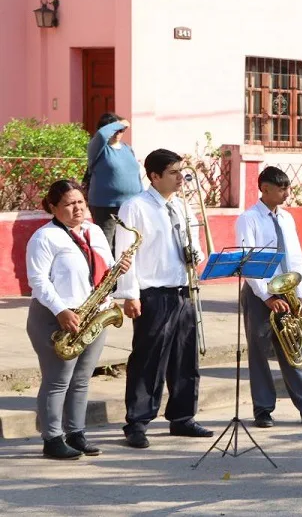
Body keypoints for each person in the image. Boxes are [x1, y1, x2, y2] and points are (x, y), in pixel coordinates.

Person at [26, 180, 130, 459]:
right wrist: (61, 310)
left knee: (82, 378)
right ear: (52, 207)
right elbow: (38, 281)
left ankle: (76, 433)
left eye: (80, 203)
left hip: (92, 313)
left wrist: (116, 273)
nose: (77, 209)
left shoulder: (94, 231)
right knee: (58, 379)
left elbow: (104, 269)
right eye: (69, 204)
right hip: (55, 316)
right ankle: (52, 438)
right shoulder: (44, 237)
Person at [114, 149, 211, 448]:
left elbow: (197, 246)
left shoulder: (182, 206)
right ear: (154, 176)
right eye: (173, 172)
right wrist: (130, 294)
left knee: (185, 357)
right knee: (148, 359)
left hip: (183, 289)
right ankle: (138, 421)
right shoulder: (135, 207)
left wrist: (198, 256)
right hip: (153, 292)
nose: (180, 177)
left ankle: (182, 417)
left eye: (181, 171)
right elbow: (125, 253)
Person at [235, 166, 302, 428]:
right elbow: (248, 262)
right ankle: (263, 409)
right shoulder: (248, 219)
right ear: (265, 189)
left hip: (287, 292)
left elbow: (294, 257)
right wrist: (266, 296)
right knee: (259, 352)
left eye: (287, 188)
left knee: (293, 349)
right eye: (280, 189)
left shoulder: (286, 218)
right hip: (261, 292)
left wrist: (300, 295)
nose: (285, 194)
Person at [84, 114, 142, 250]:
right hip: (105, 206)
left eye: (121, 130)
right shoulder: (98, 149)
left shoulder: (127, 148)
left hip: (129, 205)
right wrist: (122, 123)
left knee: (127, 245)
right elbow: (101, 135)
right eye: (114, 129)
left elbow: (136, 174)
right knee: (106, 246)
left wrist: (142, 197)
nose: (118, 133)